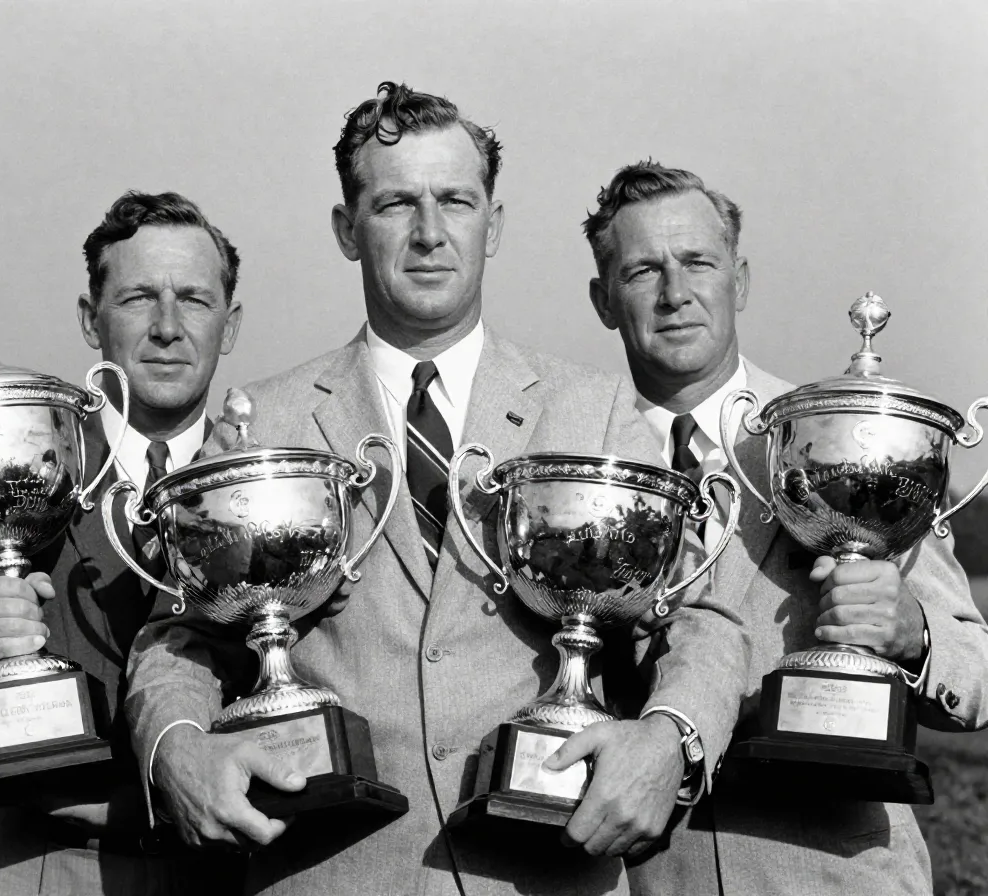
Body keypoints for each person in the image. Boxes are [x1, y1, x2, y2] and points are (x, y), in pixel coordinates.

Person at [125, 83, 749, 896]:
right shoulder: (260, 419)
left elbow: (699, 618)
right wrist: (174, 749)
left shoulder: (593, 412)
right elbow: (175, 638)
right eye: (395, 204)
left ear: (492, 225)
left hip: (542, 875)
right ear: (349, 231)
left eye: (455, 201)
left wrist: (669, 739)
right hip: (325, 873)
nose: (428, 234)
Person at [582, 160, 988, 894]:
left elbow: (979, 674)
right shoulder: (581, 465)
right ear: (603, 299)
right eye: (644, 270)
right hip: (643, 880)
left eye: (698, 262)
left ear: (738, 280)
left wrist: (911, 632)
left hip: (835, 877)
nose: (676, 293)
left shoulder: (845, 439)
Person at [0, 191, 244, 895]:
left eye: (194, 299)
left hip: (231, 868)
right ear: (89, 318)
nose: (168, 327)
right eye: (137, 298)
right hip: (35, 866)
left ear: (230, 324)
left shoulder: (260, 481)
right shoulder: (15, 466)